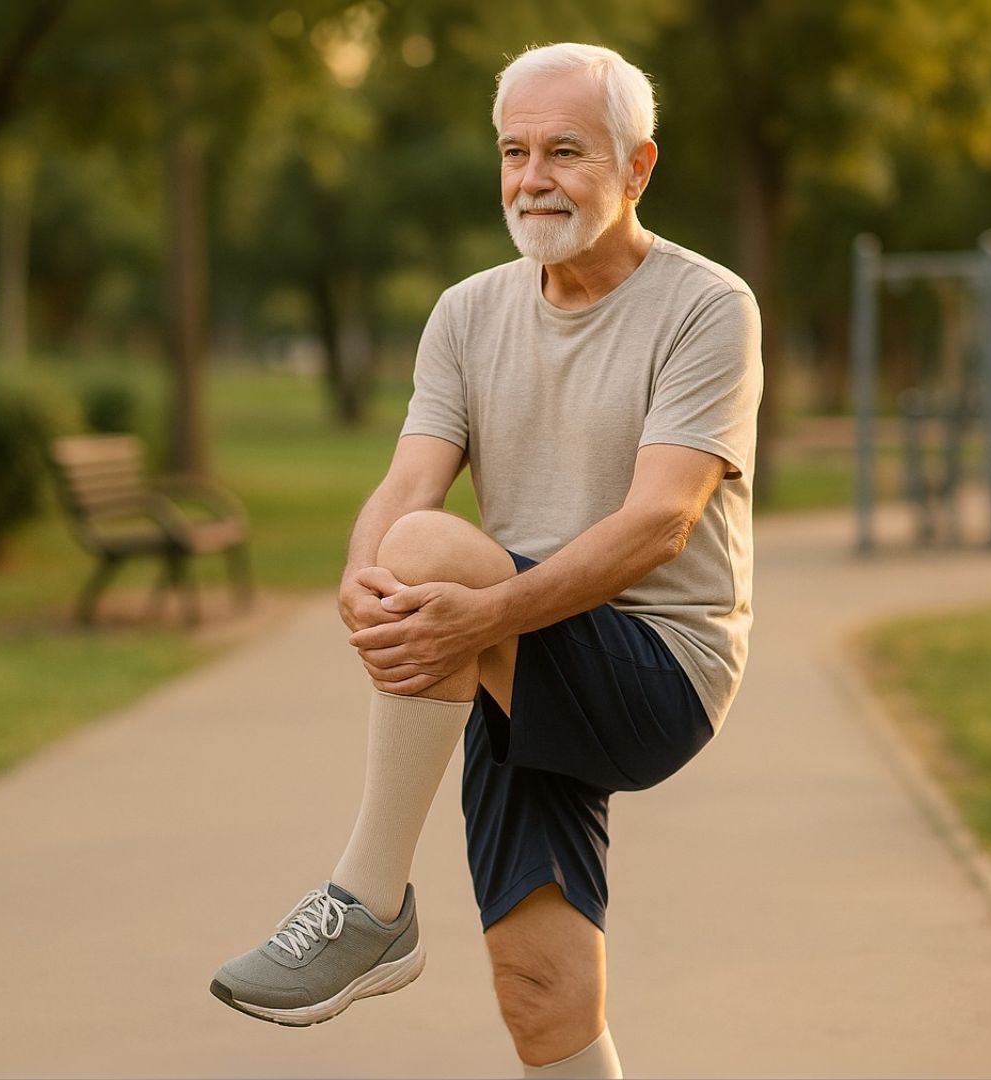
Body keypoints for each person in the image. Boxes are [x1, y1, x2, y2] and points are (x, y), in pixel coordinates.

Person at [210, 41, 761, 1079]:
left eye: (564, 150)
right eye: (514, 152)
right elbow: (406, 483)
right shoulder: (467, 312)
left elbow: (660, 526)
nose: (532, 178)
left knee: (427, 548)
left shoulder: (707, 306)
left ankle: (367, 902)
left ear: (637, 167)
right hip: (512, 651)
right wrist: (360, 577)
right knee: (538, 995)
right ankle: (375, 918)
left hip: (656, 669)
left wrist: (467, 607)